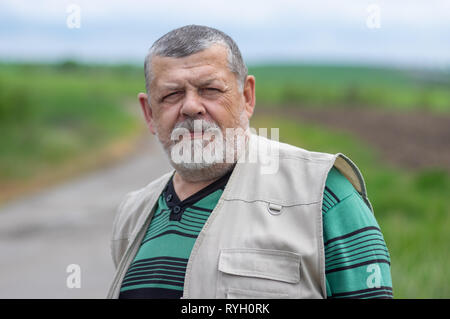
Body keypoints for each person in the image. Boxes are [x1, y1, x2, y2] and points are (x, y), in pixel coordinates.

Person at [107, 25, 393, 299]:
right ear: (148, 113)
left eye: (210, 89)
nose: (191, 107)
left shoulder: (325, 196)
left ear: (247, 97)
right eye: (172, 95)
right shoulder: (134, 214)